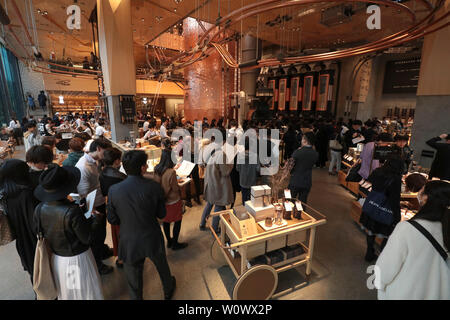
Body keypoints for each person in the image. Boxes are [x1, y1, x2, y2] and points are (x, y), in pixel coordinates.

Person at [107, 150, 176, 300]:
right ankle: (168, 289)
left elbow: (112, 219)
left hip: (129, 238)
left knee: (133, 277)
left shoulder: (114, 190)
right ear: (143, 168)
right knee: (162, 265)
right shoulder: (153, 186)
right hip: (151, 234)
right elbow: (161, 214)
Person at [33, 165, 104, 300]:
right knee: (81, 293)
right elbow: (87, 238)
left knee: (70, 292)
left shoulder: (39, 208)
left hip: (57, 259)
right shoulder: (72, 211)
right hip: (76, 260)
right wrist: (96, 219)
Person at [375, 180, 450, 299]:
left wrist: (378, 284)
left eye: (422, 191)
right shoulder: (446, 231)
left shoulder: (407, 229)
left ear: (426, 198)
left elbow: (385, 269)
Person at [75, 138, 114, 275]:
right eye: (105, 151)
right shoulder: (83, 166)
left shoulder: (94, 161)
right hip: (93, 206)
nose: (107, 154)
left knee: (102, 232)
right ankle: (97, 265)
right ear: (98, 148)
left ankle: (102, 251)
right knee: (96, 236)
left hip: (100, 201)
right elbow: (83, 194)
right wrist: (92, 212)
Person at [0, 160, 39, 283]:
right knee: (41, 267)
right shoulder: (27, 193)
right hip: (35, 239)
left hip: (22, 240)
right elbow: (34, 221)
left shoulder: (4, 194)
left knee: (33, 270)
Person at [360, 157, 404, 262]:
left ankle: (369, 253)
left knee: (370, 231)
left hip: (372, 205)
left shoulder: (377, 171)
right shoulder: (396, 179)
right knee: (387, 235)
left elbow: (368, 184)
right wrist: (397, 216)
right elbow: (394, 200)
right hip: (384, 210)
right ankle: (382, 259)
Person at [199, 133, 234, 233]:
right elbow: (225, 171)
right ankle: (214, 228)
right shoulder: (221, 154)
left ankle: (202, 223)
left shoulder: (207, 149)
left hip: (210, 181)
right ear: (222, 141)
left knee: (209, 203)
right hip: (218, 184)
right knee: (218, 205)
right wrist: (231, 164)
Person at [154, 149, 188, 250]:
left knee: (166, 221)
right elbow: (175, 188)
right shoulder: (171, 172)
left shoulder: (157, 169)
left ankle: (169, 241)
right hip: (173, 200)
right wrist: (180, 184)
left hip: (163, 201)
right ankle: (175, 244)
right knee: (177, 221)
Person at [99, 147, 127, 268]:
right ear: (116, 161)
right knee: (124, 234)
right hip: (122, 210)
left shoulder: (103, 172)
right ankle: (124, 258)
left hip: (111, 207)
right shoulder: (119, 177)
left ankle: (120, 257)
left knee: (116, 234)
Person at [288, 132, 319, 204]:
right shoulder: (315, 154)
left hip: (295, 180)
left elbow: (290, 166)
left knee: (289, 203)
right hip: (307, 181)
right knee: (302, 203)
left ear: (305, 140)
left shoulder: (298, 152)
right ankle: (300, 215)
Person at [236, 138, 260, 204]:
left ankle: (244, 211)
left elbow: (237, 168)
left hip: (243, 180)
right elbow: (258, 169)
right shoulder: (255, 156)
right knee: (251, 200)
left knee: (244, 198)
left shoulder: (239, 155)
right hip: (252, 181)